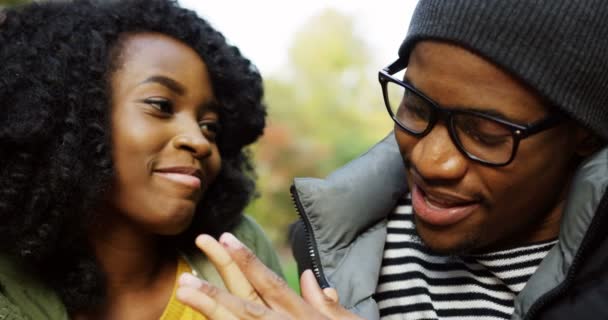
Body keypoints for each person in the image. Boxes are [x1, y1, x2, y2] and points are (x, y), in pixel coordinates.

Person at [175, 1, 608, 319]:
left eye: (485, 133)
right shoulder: (336, 255)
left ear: (584, 135)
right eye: (416, 107)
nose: (430, 159)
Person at [0, 0, 283, 319]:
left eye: (210, 126)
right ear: (70, 114)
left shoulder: (238, 250)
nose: (199, 141)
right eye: (161, 105)